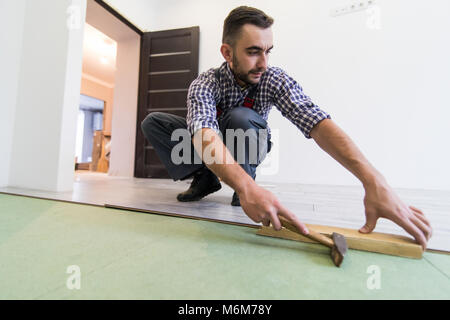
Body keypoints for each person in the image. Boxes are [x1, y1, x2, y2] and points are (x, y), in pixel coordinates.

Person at [141, 6, 432, 250]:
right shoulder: (205, 83)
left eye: (268, 51)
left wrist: (374, 181)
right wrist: (244, 187)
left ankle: (245, 180)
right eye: (254, 52)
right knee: (155, 123)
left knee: (241, 118)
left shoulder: (274, 78)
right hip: (214, 147)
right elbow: (204, 133)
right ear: (227, 53)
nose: (264, 63)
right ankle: (210, 179)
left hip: (248, 141)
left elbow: (316, 120)